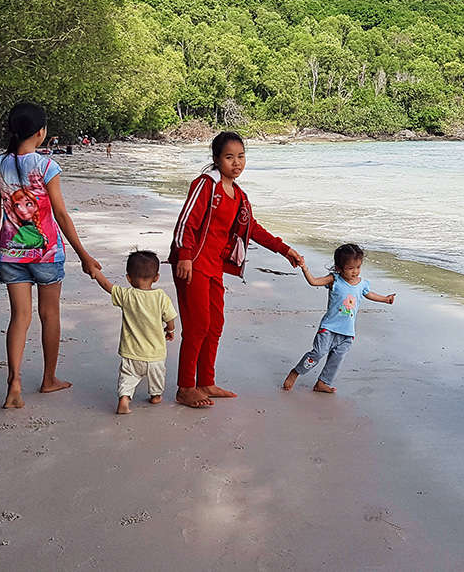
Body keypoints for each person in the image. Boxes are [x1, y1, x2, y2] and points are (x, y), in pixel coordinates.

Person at [169, 131, 302, 408]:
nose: (236, 163)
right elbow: (186, 222)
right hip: (192, 264)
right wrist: (183, 256)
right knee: (197, 326)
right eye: (229, 157)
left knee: (215, 324)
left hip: (214, 266)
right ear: (217, 159)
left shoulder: (239, 196)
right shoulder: (206, 185)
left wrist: (284, 249)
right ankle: (185, 387)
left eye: (241, 157)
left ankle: (205, 381)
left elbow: (252, 228)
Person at [0, 102, 101, 410]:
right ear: (41, 132)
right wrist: (84, 255)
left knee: (19, 317)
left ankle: (14, 381)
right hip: (47, 254)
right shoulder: (47, 166)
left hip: (10, 253)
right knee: (49, 315)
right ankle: (49, 378)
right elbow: (61, 214)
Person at [282, 244, 396, 393]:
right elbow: (314, 282)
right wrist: (304, 268)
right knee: (317, 353)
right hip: (328, 328)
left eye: (358, 267)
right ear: (339, 268)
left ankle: (323, 383)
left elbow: (370, 294)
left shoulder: (362, 284)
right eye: (350, 268)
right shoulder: (334, 279)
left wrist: (385, 299)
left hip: (347, 332)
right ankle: (296, 372)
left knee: (336, 359)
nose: (355, 272)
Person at [89, 250, 177, 414]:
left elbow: (108, 286)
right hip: (155, 354)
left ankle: (124, 399)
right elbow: (170, 317)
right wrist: (170, 329)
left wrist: (96, 272)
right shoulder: (161, 297)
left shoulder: (127, 295)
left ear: (129, 278)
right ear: (156, 277)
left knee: (127, 377)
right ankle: (156, 395)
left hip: (131, 353)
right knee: (157, 377)